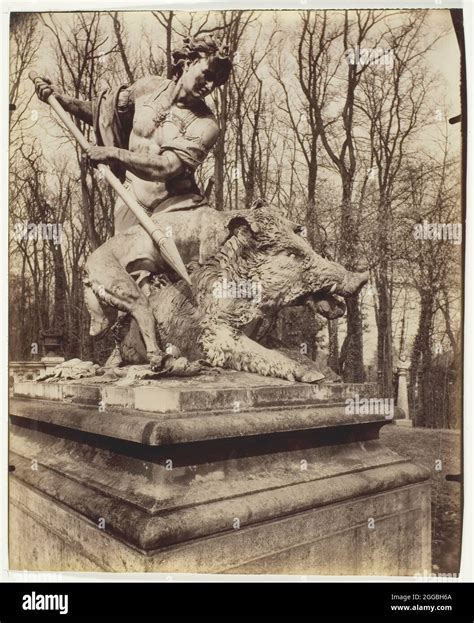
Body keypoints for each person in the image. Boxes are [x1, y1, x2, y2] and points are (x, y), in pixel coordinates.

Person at [34, 34, 233, 232]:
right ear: (190, 62)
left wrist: (113, 153)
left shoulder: (207, 125)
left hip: (175, 209)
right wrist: (62, 100)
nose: (210, 86)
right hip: (130, 202)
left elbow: (166, 167)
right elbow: (104, 113)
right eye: (208, 75)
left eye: (216, 83)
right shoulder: (149, 87)